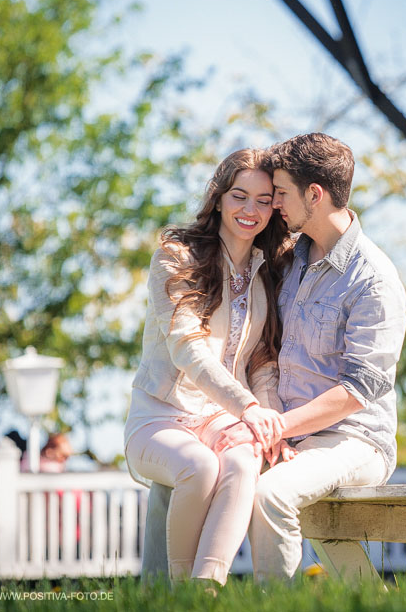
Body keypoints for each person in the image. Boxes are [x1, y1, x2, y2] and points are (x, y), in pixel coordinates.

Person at [141, 133, 406, 580]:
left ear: (315, 195)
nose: (274, 205)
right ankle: (158, 599)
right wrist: (270, 423)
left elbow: (359, 391)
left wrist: (277, 426)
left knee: (270, 494)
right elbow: (264, 358)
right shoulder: (286, 261)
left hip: (352, 438)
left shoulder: (373, 279)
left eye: (279, 194)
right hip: (281, 429)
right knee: (182, 473)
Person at [123, 148, 290, 586]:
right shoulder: (176, 257)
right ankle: (184, 594)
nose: (250, 210)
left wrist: (272, 426)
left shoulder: (266, 270)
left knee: (244, 459)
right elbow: (187, 348)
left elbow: (261, 363)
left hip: (221, 418)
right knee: (199, 466)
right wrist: (247, 407)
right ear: (217, 198)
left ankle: (207, 588)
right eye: (239, 196)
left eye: (263, 200)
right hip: (160, 414)